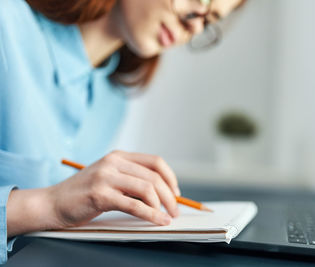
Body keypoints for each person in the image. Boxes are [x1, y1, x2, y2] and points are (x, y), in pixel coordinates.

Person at [0, 0, 245, 263]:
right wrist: (49, 204)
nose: (195, 26)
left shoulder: (114, 99)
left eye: (209, 20)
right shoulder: (6, 25)